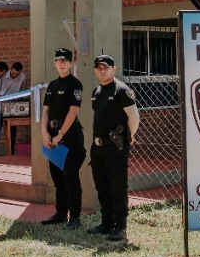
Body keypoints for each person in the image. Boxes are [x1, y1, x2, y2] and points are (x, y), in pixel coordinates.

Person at [88, 55, 140, 242]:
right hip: (98, 148)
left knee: (117, 187)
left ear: (114, 69)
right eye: (99, 68)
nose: (102, 71)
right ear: (95, 70)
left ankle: (120, 226)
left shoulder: (122, 90)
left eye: (106, 67)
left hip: (115, 148)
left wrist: (129, 137)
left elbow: (134, 118)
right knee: (102, 187)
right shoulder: (96, 91)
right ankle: (106, 223)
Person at [40, 48, 85, 230]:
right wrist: (44, 132)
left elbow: (73, 111)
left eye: (66, 60)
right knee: (58, 178)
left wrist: (60, 134)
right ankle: (60, 214)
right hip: (52, 137)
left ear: (70, 63)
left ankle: (74, 217)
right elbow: (46, 111)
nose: (62, 63)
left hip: (70, 136)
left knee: (71, 178)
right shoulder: (52, 85)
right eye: (59, 60)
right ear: (55, 63)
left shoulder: (75, 84)